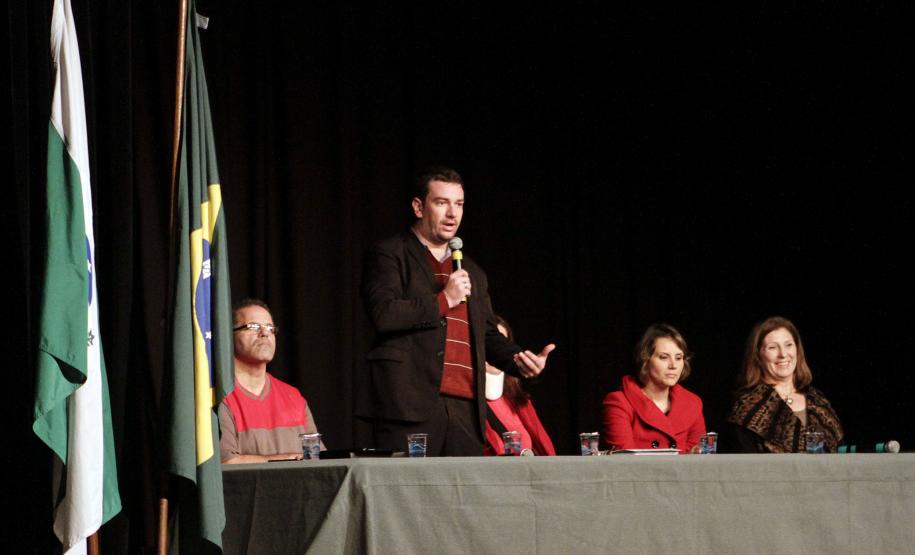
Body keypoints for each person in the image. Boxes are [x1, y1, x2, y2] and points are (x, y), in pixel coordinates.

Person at [360, 166, 556, 456]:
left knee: (460, 498)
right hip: (410, 406)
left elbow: (486, 333)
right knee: (410, 496)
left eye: (459, 204)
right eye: (442, 203)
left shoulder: (471, 272)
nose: (453, 213)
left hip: (466, 409)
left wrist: (518, 360)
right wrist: (445, 299)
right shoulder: (390, 254)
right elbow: (384, 314)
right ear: (418, 207)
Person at [219, 298, 322, 463]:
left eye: (270, 328)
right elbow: (226, 462)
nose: (265, 333)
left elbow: (318, 458)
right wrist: (288, 459)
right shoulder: (220, 396)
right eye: (253, 327)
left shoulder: (293, 396)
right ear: (228, 335)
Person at [724, 316, 843, 453]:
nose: (783, 354)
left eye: (788, 345)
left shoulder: (818, 399)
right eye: (772, 347)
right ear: (758, 355)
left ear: (797, 349)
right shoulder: (747, 407)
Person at [601, 324, 706, 453]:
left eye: (679, 358)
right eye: (664, 357)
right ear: (645, 360)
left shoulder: (692, 403)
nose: (673, 365)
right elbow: (625, 460)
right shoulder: (619, 402)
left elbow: (699, 462)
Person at [483, 315, 556, 456]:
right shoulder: (463, 406)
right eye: (487, 346)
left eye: (499, 345)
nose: (493, 353)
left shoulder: (519, 401)